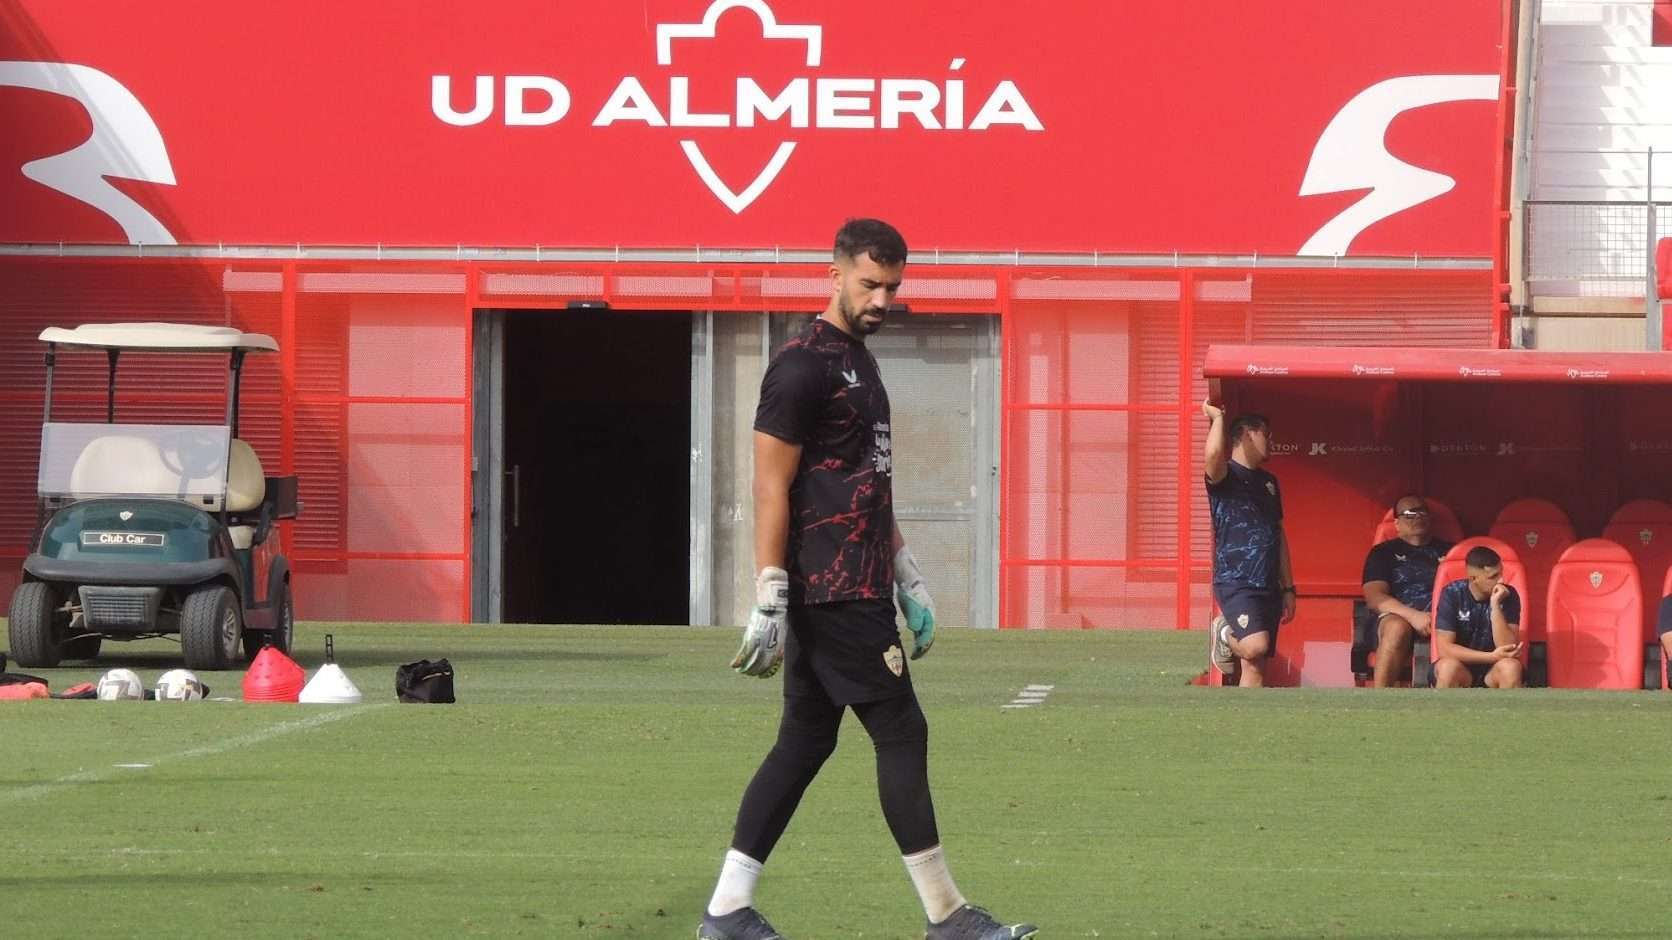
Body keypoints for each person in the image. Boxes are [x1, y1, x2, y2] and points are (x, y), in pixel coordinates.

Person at [699, 219, 1037, 940]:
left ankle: (728, 908)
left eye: (892, 286)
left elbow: (864, 482)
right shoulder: (800, 366)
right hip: (831, 587)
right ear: (834, 273)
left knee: (805, 741)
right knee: (901, 730)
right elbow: (770, 485)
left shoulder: (859, 361)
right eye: (869, 283)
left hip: (860, 577)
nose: (882, 298)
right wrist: (768, 590)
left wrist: (906, 571)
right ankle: (946, 916)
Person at [1203, 403, 1294, 687]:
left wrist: (1289, 587)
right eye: (1266, 434)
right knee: (1254, 646)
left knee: (1256, 662)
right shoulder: (1224, 475)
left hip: (1268, 584)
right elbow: (1214, 454)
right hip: (1236, 580)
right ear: (1245, 435)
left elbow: (1277, 534)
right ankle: (1224, 634)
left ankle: (1248, 721)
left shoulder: (1269, 482)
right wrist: (1218, 418)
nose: (1271, 441)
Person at [1361, 496, 1454, 687]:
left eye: (1422, 512)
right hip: (1398, 616)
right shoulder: (1382, 552)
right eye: (1410, 514)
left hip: (1441, 618)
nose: (1418, 517)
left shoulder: (1450, 551)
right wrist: (1413, 616)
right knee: (1397, 628)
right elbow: (1375, 597)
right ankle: (1381, 704)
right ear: (1396, 523)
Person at [1432, 545, 1524, 689]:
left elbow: (1507, 647)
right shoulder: (1452, 593)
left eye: (1501, 574)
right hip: (1462, 667)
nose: (1500, 581)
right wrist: (1491, 656)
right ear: (1473, 578)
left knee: (1511, 668)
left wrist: (1495, 606)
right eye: (1493, 577)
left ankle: (1509, 712)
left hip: (1494, 670)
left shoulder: (1508, 594)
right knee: (1447, 667)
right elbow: (1445, 649)